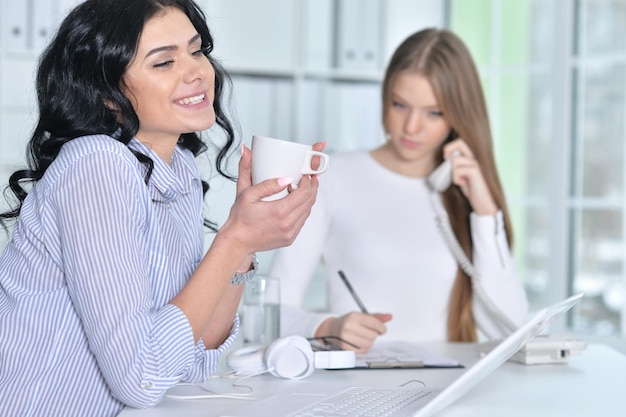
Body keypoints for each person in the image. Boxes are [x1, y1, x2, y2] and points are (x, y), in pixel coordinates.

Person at [0, 1, 321, 416]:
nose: (197, 72)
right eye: (164, 62)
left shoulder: (179, 172)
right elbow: (142, 378)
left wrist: (244, 244)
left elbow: (192, 362)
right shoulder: (97, 164)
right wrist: (235, 236)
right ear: (106, 94)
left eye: (196, 49)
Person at [269, 28, 529, 353]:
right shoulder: (331, 176)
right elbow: (267, 315)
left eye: (434, 113)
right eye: (400, 105)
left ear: (458, 118)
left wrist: (486, 213)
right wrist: (326, 327)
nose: (411, 127)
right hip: (358, 389)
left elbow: (511, 329)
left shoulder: (461, 195)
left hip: (444, 390)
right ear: (385, 97)